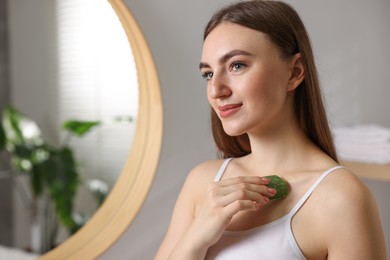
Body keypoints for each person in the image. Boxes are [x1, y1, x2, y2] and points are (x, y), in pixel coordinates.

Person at [155, 1, 387, 259]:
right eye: (208, 74)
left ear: (295, 72)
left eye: (237, 65)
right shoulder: (203, 183)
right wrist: (196, 238)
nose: (215, 90)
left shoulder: (340, 199)